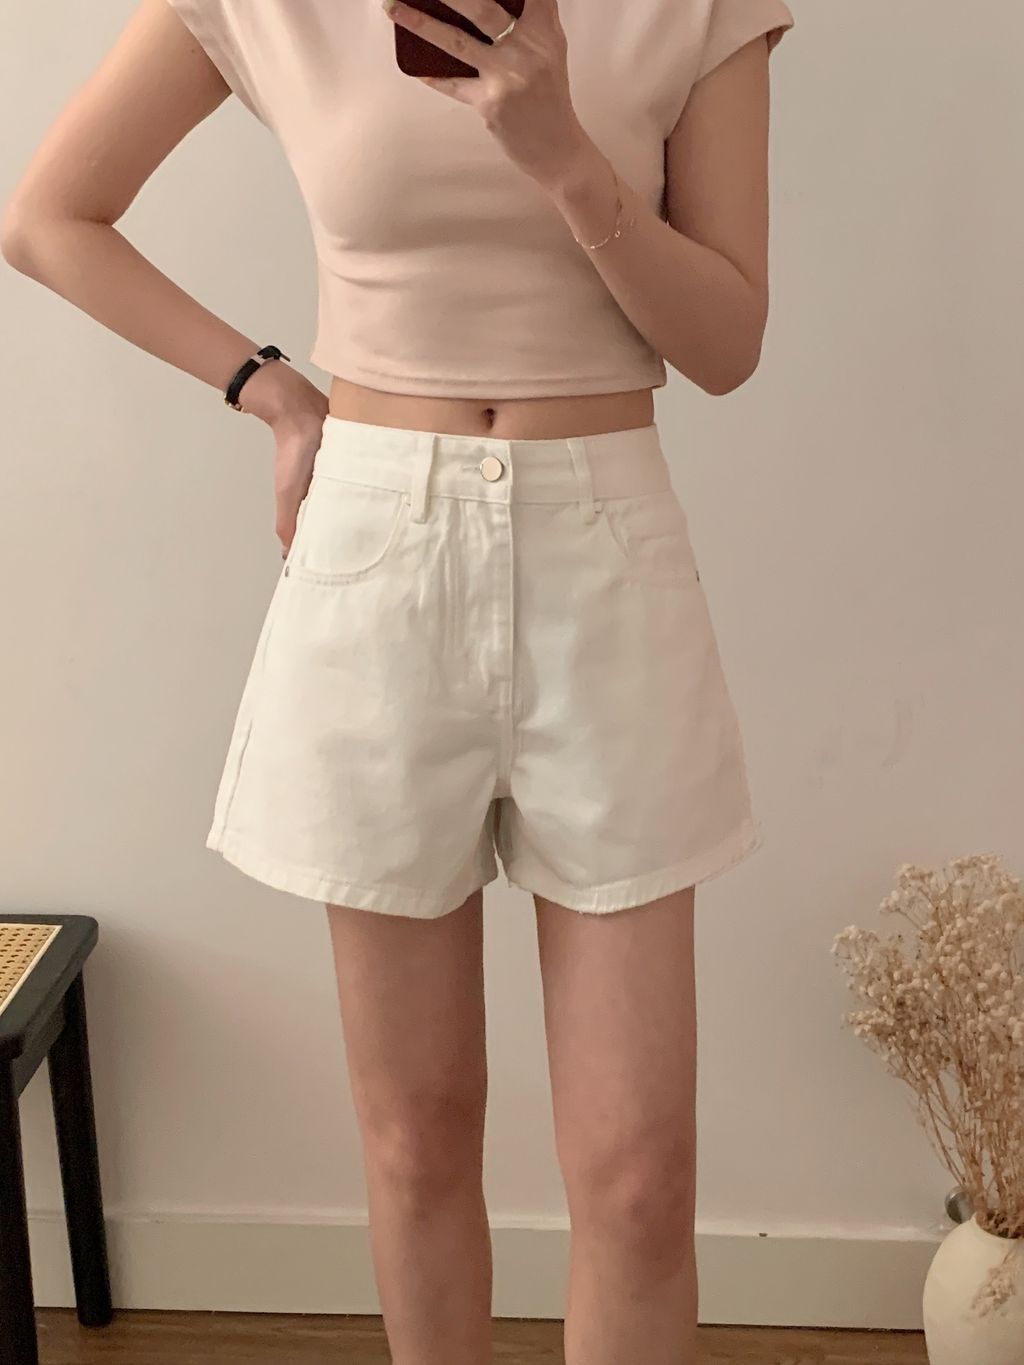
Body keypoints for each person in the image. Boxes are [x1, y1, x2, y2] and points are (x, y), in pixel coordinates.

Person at [1, 0, 794, 1359]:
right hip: (377, 552)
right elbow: (48, 217)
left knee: (639, 1178)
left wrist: (566, 158)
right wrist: (271, 390)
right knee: (417, 1142)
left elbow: (727, 346)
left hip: (606, 550)